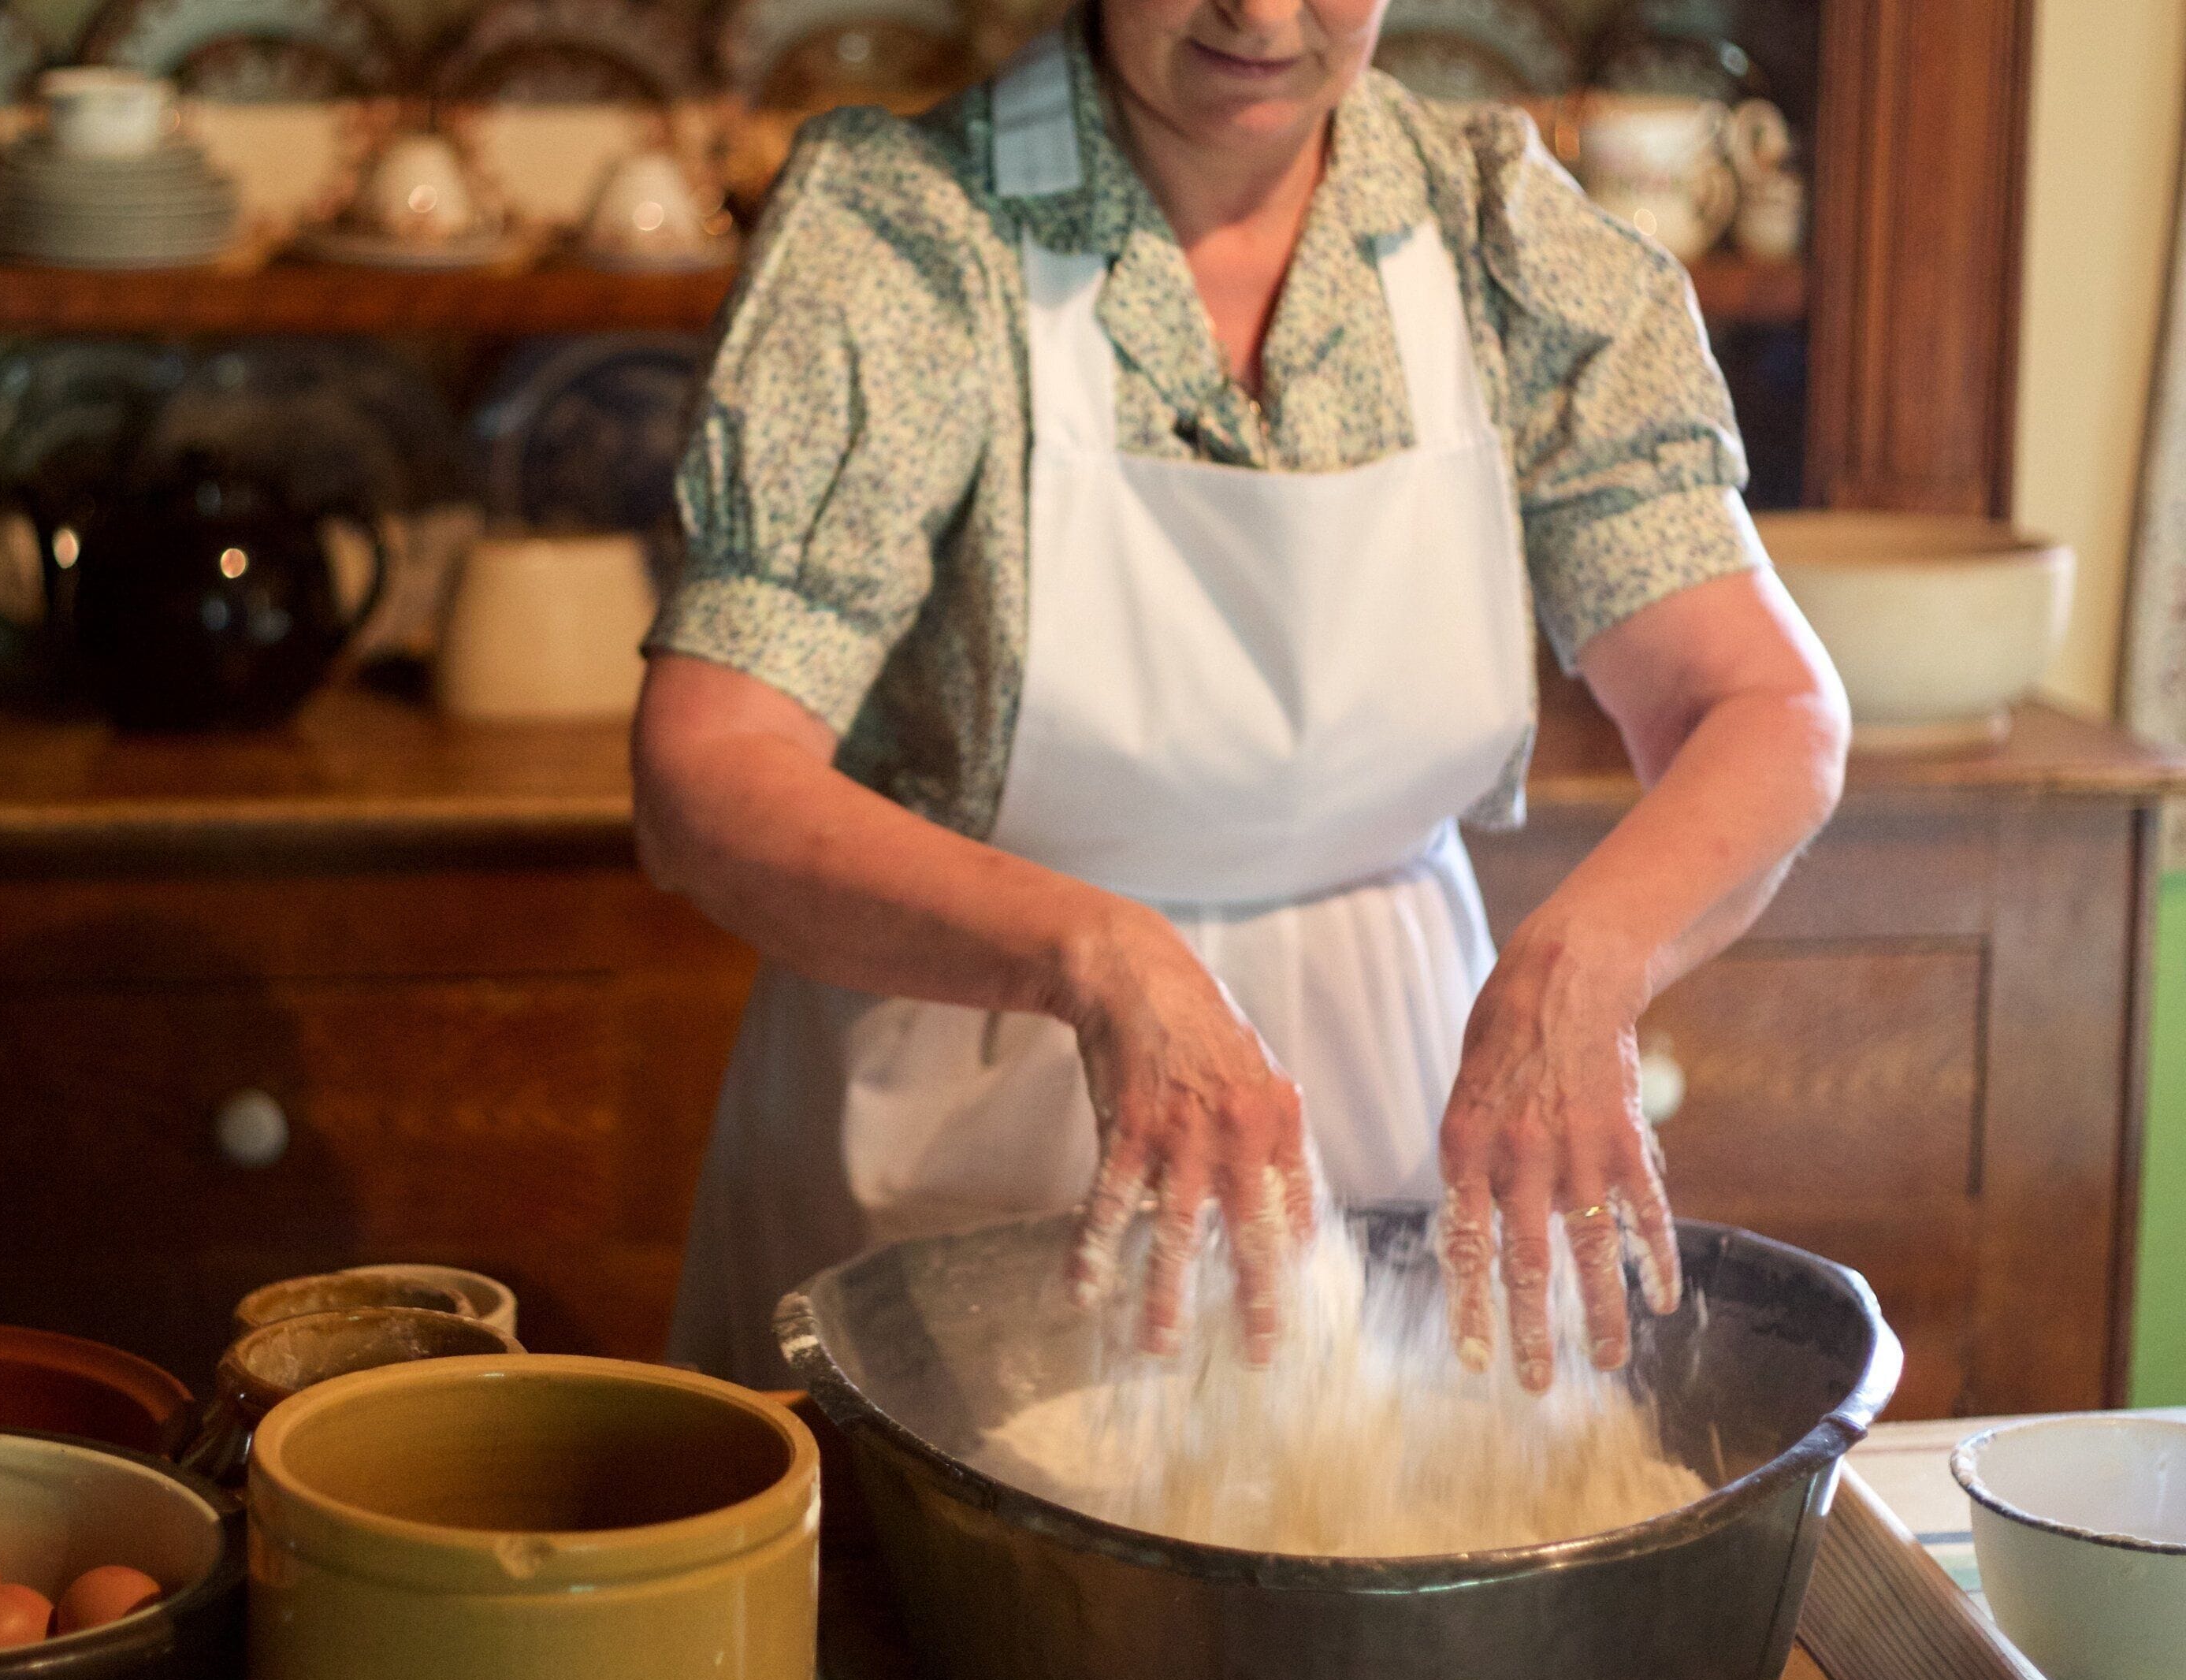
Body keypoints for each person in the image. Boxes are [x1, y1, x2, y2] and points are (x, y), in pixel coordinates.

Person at [632, 0, 1848, 1393]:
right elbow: (708, 772)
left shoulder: (1498, 234)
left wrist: (1587, 968)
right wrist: (1094, 956)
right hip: (976, 1125)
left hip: (1400, 1111)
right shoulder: (911, 237)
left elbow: (1760, 706)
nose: (1263, 13)